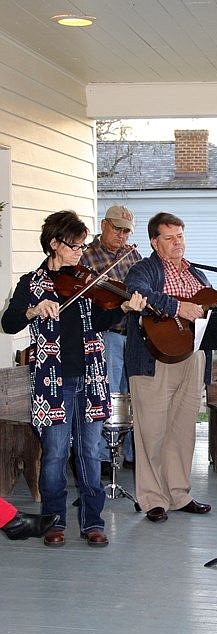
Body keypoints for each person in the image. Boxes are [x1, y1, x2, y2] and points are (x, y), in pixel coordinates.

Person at [1, 210, 145, 548]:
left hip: (91, 377)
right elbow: (8, 323)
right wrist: (33, 310)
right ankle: (54, 521)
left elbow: (101, 320)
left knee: (89, 452)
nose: (82, 251)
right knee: (53, 455)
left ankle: (93, 522)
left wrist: (123, 309)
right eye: (75, 245)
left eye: (83, 245)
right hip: (52, 381)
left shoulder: (87, 281)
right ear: (54, 244)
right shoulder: (31, 283)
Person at [124, 211, 211, 523]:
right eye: (170, 238)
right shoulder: (143, 269)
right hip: (154, 358)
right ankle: (151, 499)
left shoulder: (197, 274)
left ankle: (178, 493)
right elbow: (137, 292)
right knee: (152, 431)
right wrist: (178, 307)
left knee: (183, 429)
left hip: (193, 357)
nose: (178, 243)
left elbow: (208, 307)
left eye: (181, 236)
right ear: (154, 242)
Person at [81, 205, 142, 472]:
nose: (121, 235)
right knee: (109, 393)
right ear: (104, 224)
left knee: (132, 393)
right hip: (107, 333)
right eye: (117, 228)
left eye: (126, 231)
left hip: (134, 332)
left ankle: (130, 453)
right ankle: (104, 455)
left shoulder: (133, 255)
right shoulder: (86, 256)